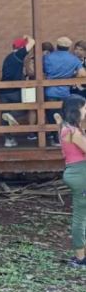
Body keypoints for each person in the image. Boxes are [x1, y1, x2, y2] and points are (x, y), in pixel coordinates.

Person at [54, 95, 86, 267]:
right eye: (84, 108)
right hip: (81, 173)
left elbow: (58, 119)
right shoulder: (73, 132)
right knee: (80, 217)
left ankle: (81, 253)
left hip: (75, 171)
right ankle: (80, 258)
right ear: (76, 110)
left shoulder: (65, 127)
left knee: (82, 215)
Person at [44, 37, 86, 146]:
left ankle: (55, 138)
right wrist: (72, 75)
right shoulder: (74, 59)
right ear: (69, 47)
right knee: (65, 115)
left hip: (50, 91)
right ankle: (65, 138)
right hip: (65, 92)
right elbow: (82, 74)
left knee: (52, 115)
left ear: (57, 46)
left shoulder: (48, 57)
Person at [0, 35, 36, 148]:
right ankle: (11, 115)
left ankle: (8, 139)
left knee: (4, 114)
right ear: (21, 48)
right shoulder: (18, 55)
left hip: (2, 91)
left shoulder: (8, 57)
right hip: (14, 90)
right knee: (26, 108)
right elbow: (32, 42)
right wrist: (27, 37)